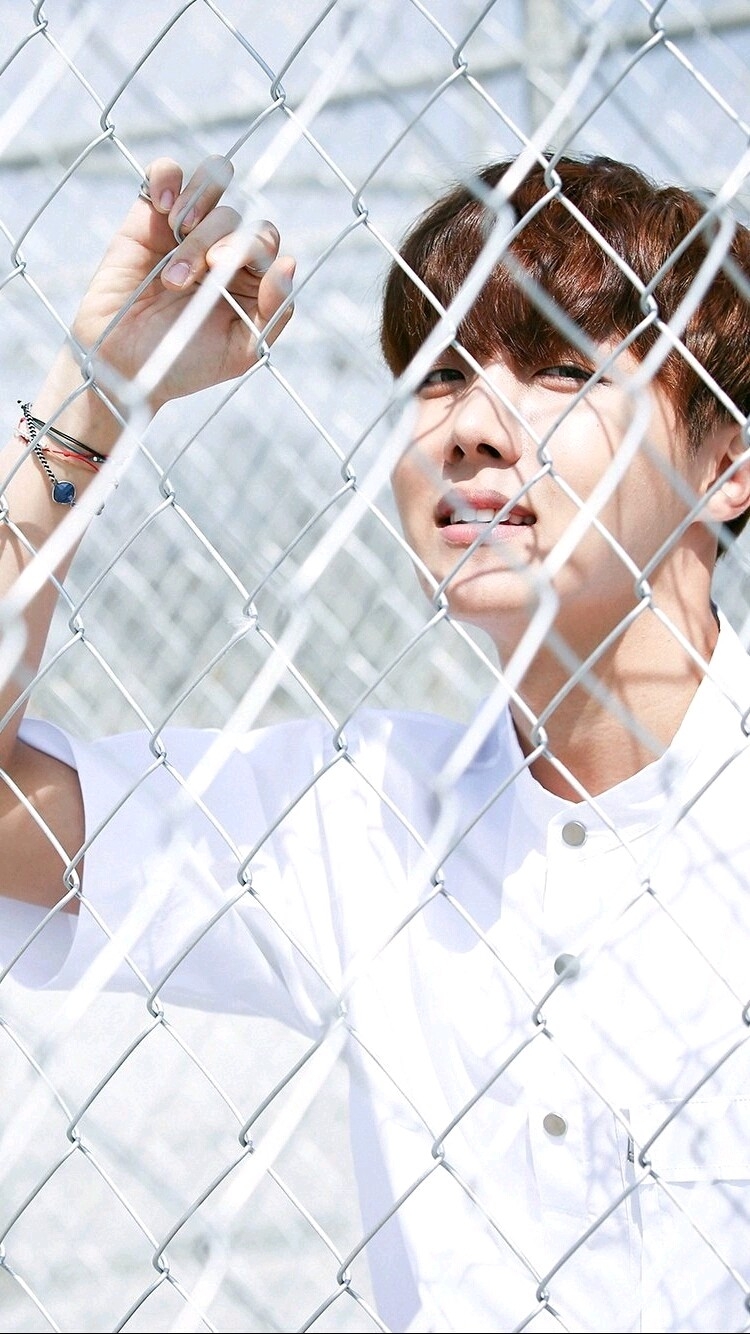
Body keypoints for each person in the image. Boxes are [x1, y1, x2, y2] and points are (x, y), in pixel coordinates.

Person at [1, 148, 750, 1334]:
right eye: (441, 371)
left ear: (727, 463)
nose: (474, 428)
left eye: (563, 367)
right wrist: (95, 396)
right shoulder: (372, 813)